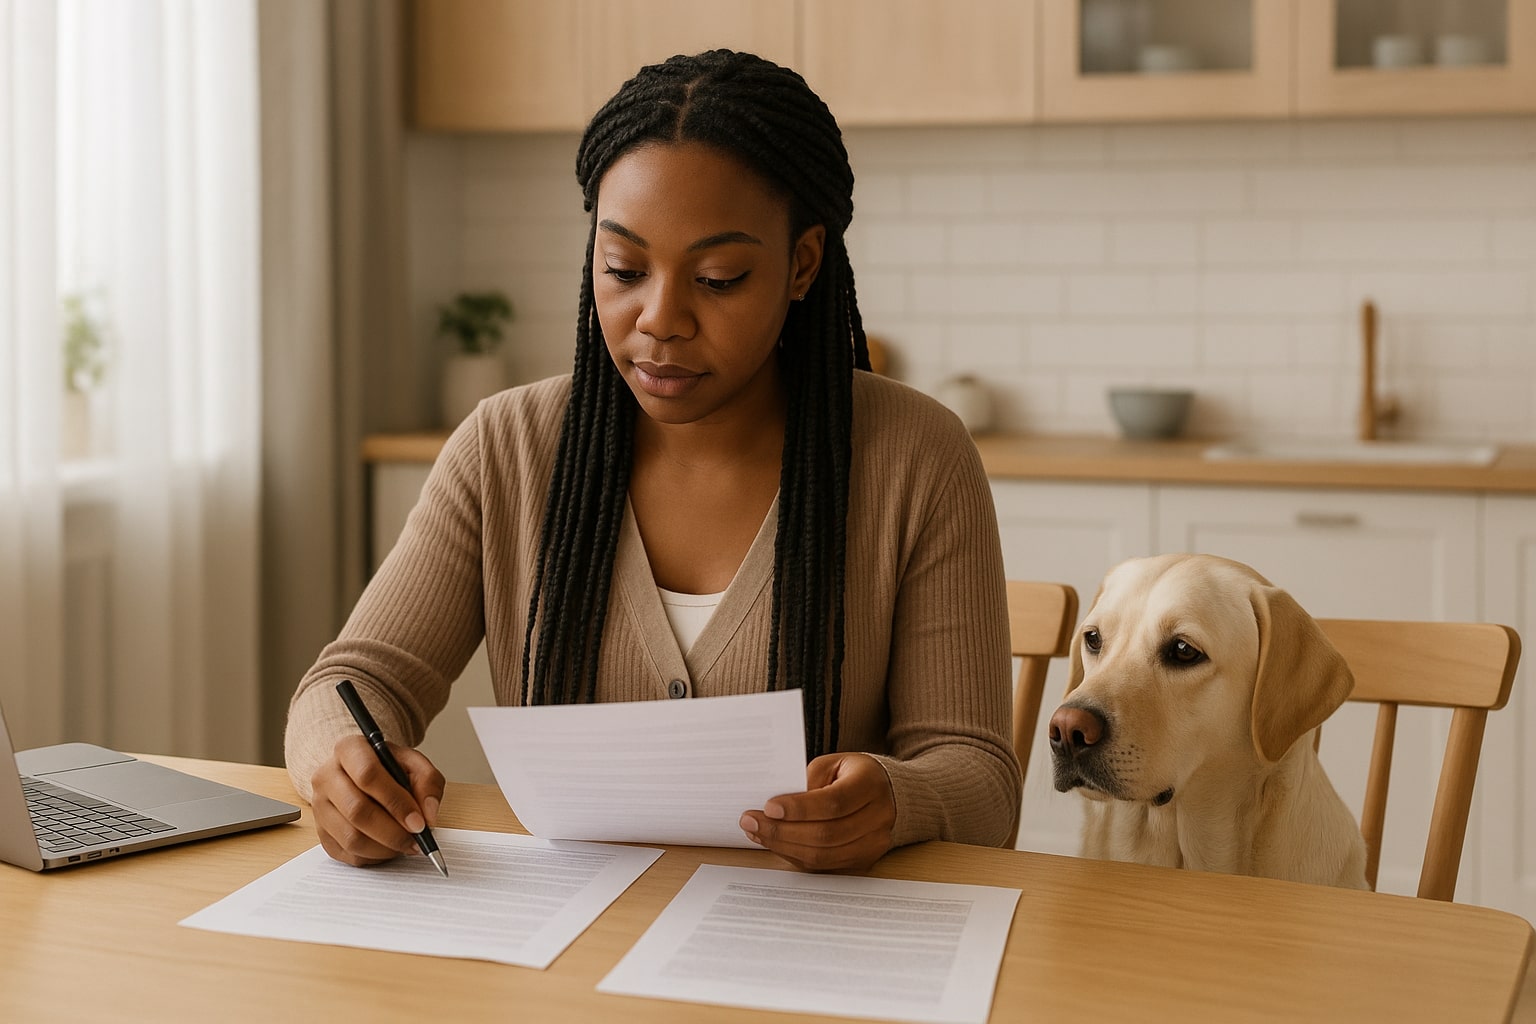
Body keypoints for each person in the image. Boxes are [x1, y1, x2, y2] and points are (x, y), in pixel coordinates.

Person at [285, 49, 1020, 874]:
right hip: (561, 963)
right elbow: (349, 682)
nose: (660, 319)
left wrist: (897, 800)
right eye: (624, 269)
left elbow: (980, 778)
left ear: (803, 264)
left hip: (814, 967)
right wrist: (342, 765)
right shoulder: (506, 449)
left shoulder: (916, 456)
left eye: (718, 277)